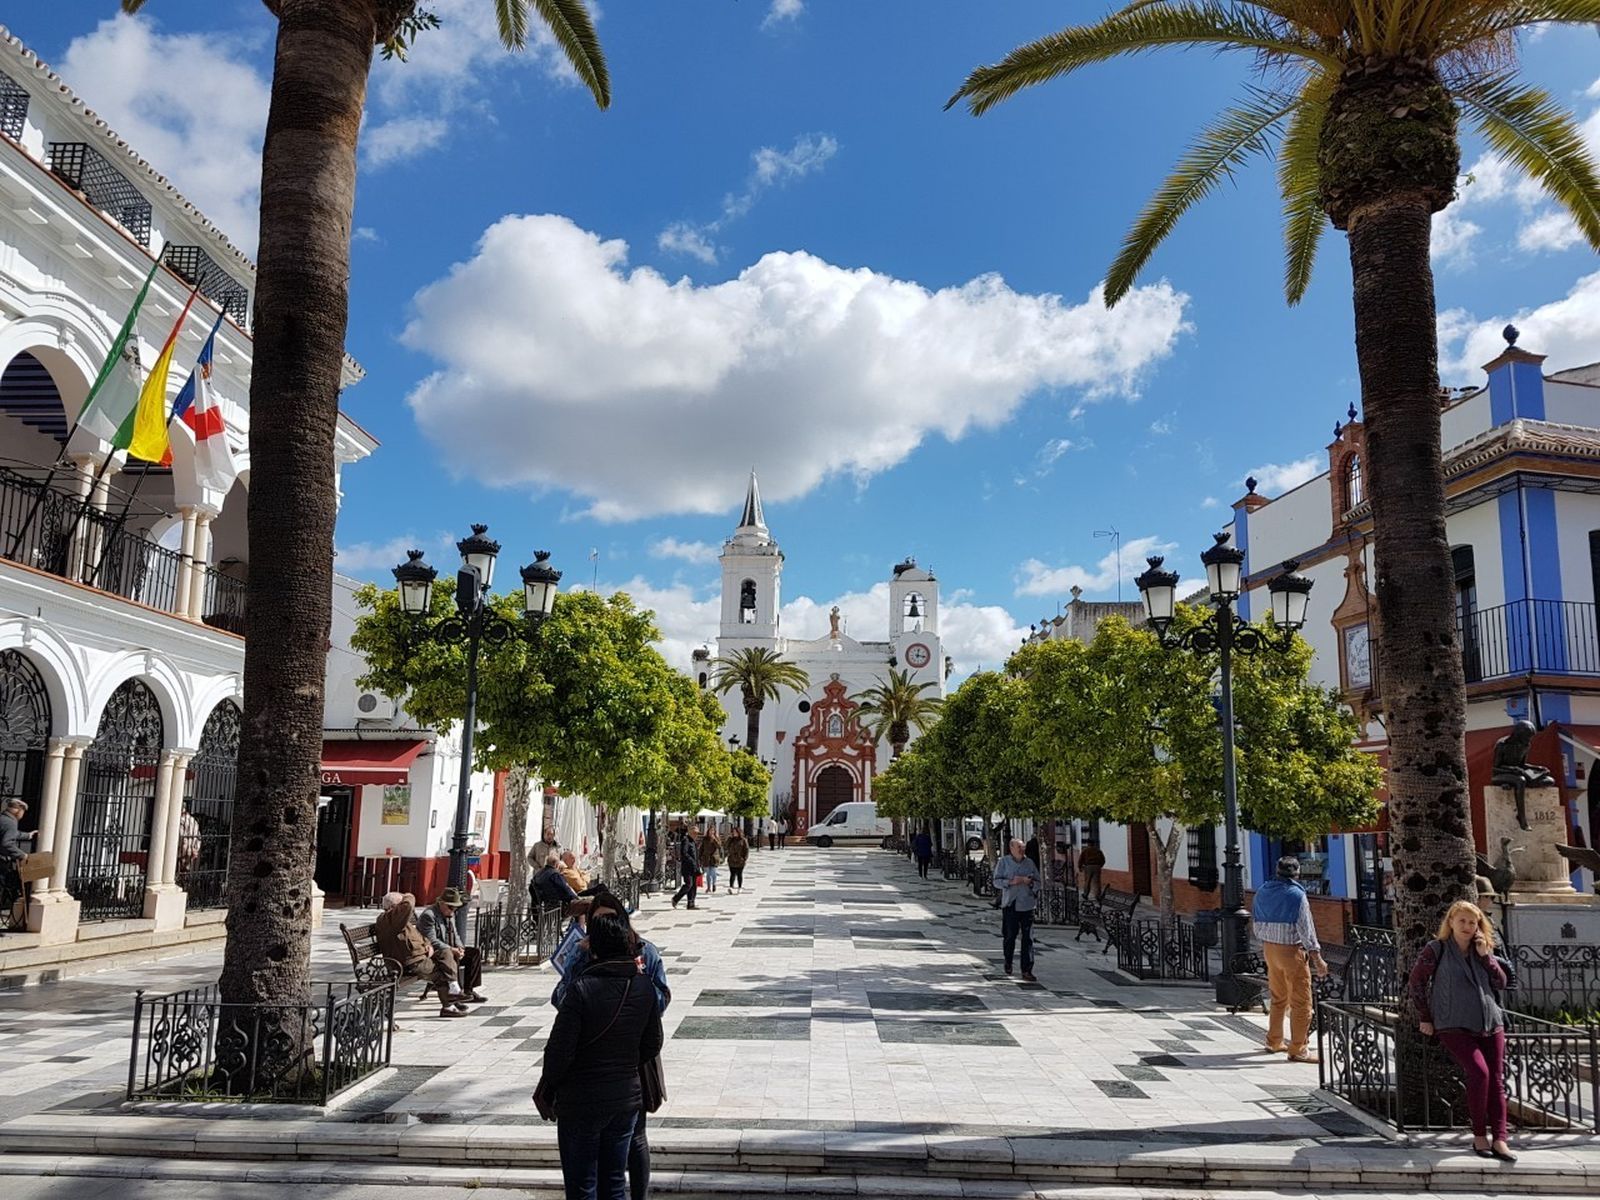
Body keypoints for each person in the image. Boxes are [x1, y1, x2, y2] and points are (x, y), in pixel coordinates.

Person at [552, 889, 671, 1200]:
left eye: (610, 920)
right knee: (601, 1179)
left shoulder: (647, 953)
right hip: (593, 1072)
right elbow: (560, 1001)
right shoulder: (581, 957)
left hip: (627, 1065)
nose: (604, 926)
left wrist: (637, 982)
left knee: (630, 1147)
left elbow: (658, 1011)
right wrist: (579, 962)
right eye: (597, 921)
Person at [1408, 899, 1516, 1162]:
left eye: (1472, 922)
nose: (1467, 926)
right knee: (1480, 1073)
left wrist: (1486, 956)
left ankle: (1500, 1139)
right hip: (1453, 1022)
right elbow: (1417, 981)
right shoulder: (1437, 949)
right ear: (1451, 923)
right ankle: (1479, 1135)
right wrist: (1425, 1016)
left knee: (1497, 1080)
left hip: (1490, 1022)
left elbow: (1501, 982)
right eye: (1462, 921)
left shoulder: (1484, 950)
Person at [1250, 856, 1329, 1064]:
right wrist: (1317, 958)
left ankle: (1274, 1040)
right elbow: (1306, 929)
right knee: (1301, 1002)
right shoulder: (1297, 895)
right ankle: (1298, 1048)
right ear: (1297, 873)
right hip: (1291, 952)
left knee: (1278, 997)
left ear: (1277, 871)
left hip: (1269, 949)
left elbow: (1256, 923)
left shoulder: (1262, 891)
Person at [375, 891, 471, 1017]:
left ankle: (454, 988)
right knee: (441, 973)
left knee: (447, 952)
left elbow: (419, 935)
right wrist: (407, 895)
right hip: (411, 962)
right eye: (401, 905)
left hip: (422, 955)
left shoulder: (397, 920)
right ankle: (449, 1006)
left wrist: (428, 945)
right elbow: (408, 904)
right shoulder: (390, 919)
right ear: (395, 907)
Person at [416, 886, 487, 1003]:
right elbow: (432, 940)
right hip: (436, 952)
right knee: (450, 955)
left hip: (449, 949)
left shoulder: (449, 914)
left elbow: (455, 934)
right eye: (450, 907)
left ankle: (469, 990)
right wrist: (451, 949)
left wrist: (460, 948)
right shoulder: (429, 916)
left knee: (474, 953)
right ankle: (456, 993)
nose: (453, 911)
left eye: (455, 908)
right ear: (442, 903)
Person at [992, 837, 1040, 981]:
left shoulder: (1029, 863)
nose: (1021, 850)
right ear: (1011, 849)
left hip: (1027, 904)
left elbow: (1038, 882)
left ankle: (1027, 969)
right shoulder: (1004, 862)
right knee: (1010, 936)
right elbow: (996, 881)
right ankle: (1008, 961)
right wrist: (1011, 882)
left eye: (1023, 847)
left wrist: (1030, 883)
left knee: (1028, 938)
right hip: (1010, 904)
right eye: (1018, 847)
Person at [0, 799, 27, 933]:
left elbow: (12, 834)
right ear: (18, 810)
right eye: (23, 812)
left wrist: (28, 835)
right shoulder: (11, 823)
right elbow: (7, 843)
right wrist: (22, 855)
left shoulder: (3, 819)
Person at [670, 829, 700, 909]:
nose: (696, 835)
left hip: (694, 867)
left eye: (697, 833)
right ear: (690, 833)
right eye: (694, 833)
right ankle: (676, 898)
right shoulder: (686, 840)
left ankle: (691, 903)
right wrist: (692, 861)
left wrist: (698, 865)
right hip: (687, 867)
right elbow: (684, 853)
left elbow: (696, 855)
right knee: (688, 884)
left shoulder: (693, 842)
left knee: (693, 886)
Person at [725, 828, 749, 893]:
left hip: (740, 860)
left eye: (735, 832)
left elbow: (746, 850)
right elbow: (726, 846)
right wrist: (729, 838)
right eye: (733, 832)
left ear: (739, 832)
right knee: (732, 874)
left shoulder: (743, 840)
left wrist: (744, 859)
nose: (734, 833)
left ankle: (740, 887)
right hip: (732, 859)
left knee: (739, 874)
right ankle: (731, 886)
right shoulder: (731, 840)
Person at [700, 829, 722, 894]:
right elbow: (702, 848)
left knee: (713, 872)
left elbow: (719, 846)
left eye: (713, 831)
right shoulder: (705, 839)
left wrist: (714, 839)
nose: (711, 832)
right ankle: (709, 887)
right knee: (708, 874)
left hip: (714, 858)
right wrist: (700, 856)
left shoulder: (717, 838)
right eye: (710, 831)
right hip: (706, 858)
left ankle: (714, 884)